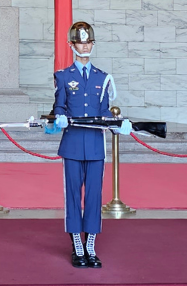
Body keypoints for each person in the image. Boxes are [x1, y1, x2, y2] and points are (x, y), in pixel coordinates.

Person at [52, 22, 127, 269]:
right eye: (80, 42)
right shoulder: (63, 77)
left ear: (92, 45)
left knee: (94, 196)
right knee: (73, 196)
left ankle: (90, 246)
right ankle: (77, 245)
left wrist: (117, 124)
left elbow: (104, 112)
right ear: (72, 45)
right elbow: (58, 109)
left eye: (88, 42)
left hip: (95, 146)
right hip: (73, 144)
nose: (84, 46)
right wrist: (58, 118)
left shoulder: (103, 78)